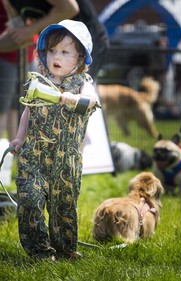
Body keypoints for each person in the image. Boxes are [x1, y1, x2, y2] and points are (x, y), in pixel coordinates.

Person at [9, 20, 99, 260]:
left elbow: (90, 102)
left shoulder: (83, 85)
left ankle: (65, 249)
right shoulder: (38, 81)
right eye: (52, 51)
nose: (56, 57)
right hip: (34, 155)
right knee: (30, 199)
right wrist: (19, 138)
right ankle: (39, 250)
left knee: (63, 208)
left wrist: (70, 98)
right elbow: (28, 110)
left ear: (79, 58)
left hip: (65, 160)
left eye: (64, 51)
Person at [0, 0, 109, 80]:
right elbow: (17, 35)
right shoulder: (9, 2)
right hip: (56, 52)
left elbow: (69, 8)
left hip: (85, 46)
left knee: (76, 93)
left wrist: (31, 30)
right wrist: (28, 31)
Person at [0, 1, 35, 140]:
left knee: (20, 108)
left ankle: (16, 153)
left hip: (29, 55)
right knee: (1, 108)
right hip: (4, 57)